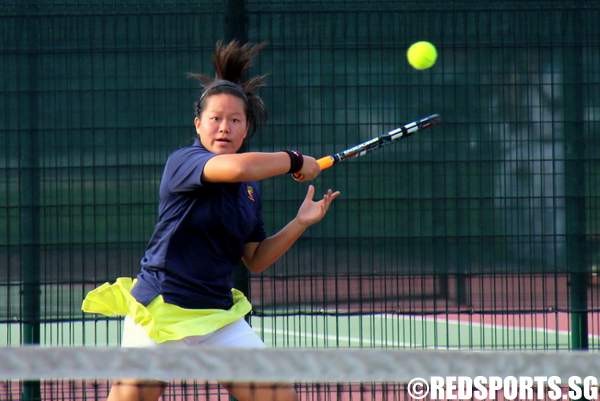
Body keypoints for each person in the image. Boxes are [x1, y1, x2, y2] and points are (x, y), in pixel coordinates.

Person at [82, 40, 340, 401]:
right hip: (162, 308)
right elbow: (235, 167)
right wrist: (296, 160)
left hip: (217, 317)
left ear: (246, 128)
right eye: (215, 119)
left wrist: (299, 223)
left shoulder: (249, 190)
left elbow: (255, 259)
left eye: (235, 120)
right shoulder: (184, 162)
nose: (224, 128)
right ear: (198, 124)